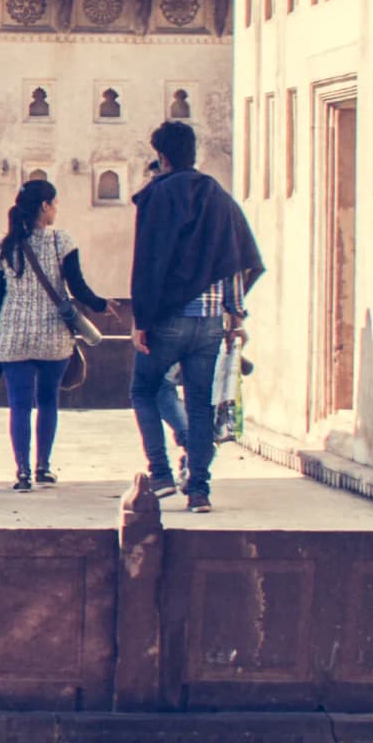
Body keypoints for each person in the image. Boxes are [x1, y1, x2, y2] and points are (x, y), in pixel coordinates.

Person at [127, 118, 264, 511]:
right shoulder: (217, 195)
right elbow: (236, 256)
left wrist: (142, 320)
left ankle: (161, 474)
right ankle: (200, 490)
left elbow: (149, 262)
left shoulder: (158, 196)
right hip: (209, 324)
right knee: (201, 404)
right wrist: (235, 315)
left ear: (162, 156)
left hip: (168, 318)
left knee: (144, 390)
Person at [0, 175, 105, 491]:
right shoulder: (60, 241)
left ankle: (22, 472)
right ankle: (43, 467)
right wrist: (102, 304)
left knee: (19, 405)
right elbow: (77, 286)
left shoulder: (2, 248)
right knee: (48, 401)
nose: (56, 211)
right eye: (54, 204)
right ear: (44, 206)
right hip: (54, 338)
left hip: (14, 338)